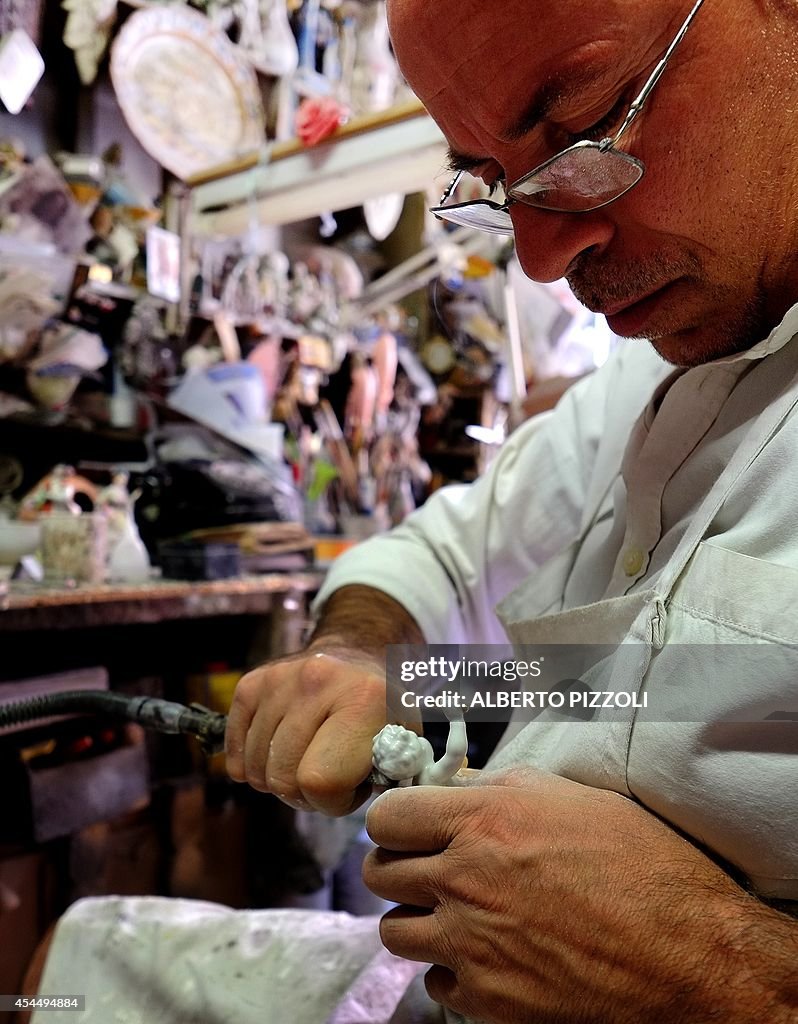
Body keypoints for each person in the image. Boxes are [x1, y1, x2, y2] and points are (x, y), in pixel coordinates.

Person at [223, 0, 798, 1021]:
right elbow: (458, 577)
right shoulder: (650, 391)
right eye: (493, 179)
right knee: (70, 959)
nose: (540, 257)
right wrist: (367, 663)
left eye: (582, 124)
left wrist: (727, 974)